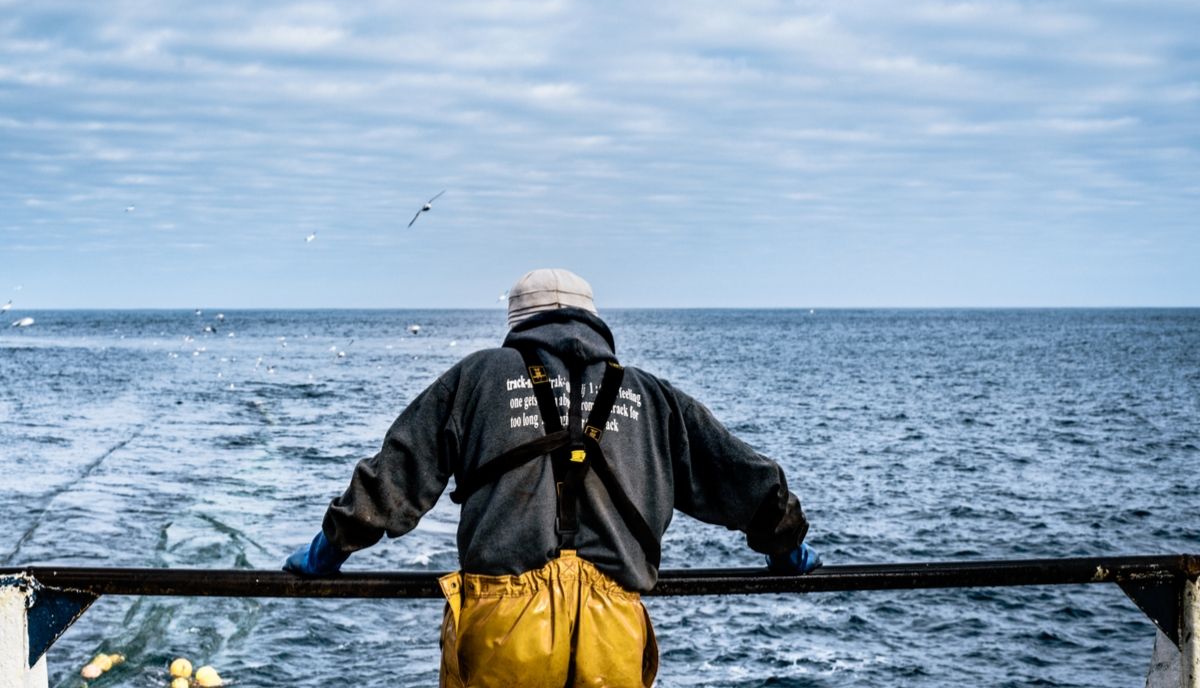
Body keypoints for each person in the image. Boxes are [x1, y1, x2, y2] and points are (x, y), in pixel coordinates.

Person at [284, 268, 820, 687]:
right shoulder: (652, 397)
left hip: (505, 627)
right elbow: (745, 478)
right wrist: (785, 547)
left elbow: (394, 476)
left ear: (519, 323)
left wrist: (330, 550)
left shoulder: (478, 377)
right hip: (614, 626)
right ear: (593, 321)